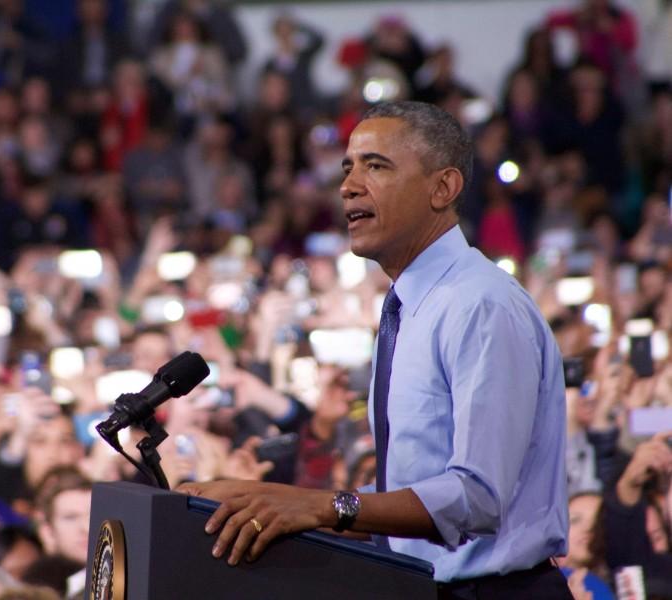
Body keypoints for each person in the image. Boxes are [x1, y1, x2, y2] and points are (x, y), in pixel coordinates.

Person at [179, 101, 572, 598]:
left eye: (376, 166)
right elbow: (415, 495)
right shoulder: (410, 304)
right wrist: (270, 499)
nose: (348, 185)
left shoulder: (479, 304)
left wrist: (325, 508)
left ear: (443, 188)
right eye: (348, 167)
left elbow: (477, 498)